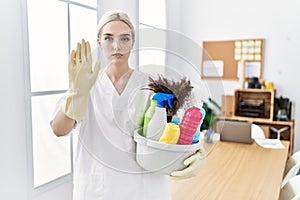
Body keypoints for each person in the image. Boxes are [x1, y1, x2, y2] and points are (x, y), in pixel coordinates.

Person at [51, 10, 205, 200]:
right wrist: (77, 93)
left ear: (133, 42)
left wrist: (196, 151)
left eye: (124, 39)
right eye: (108, 38)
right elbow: (59, 129)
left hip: (145, 189)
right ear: (99, 41)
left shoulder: (153, 87)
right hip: (98, 189)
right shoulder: (84, 84)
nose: (117, 46)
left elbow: (182, 129)